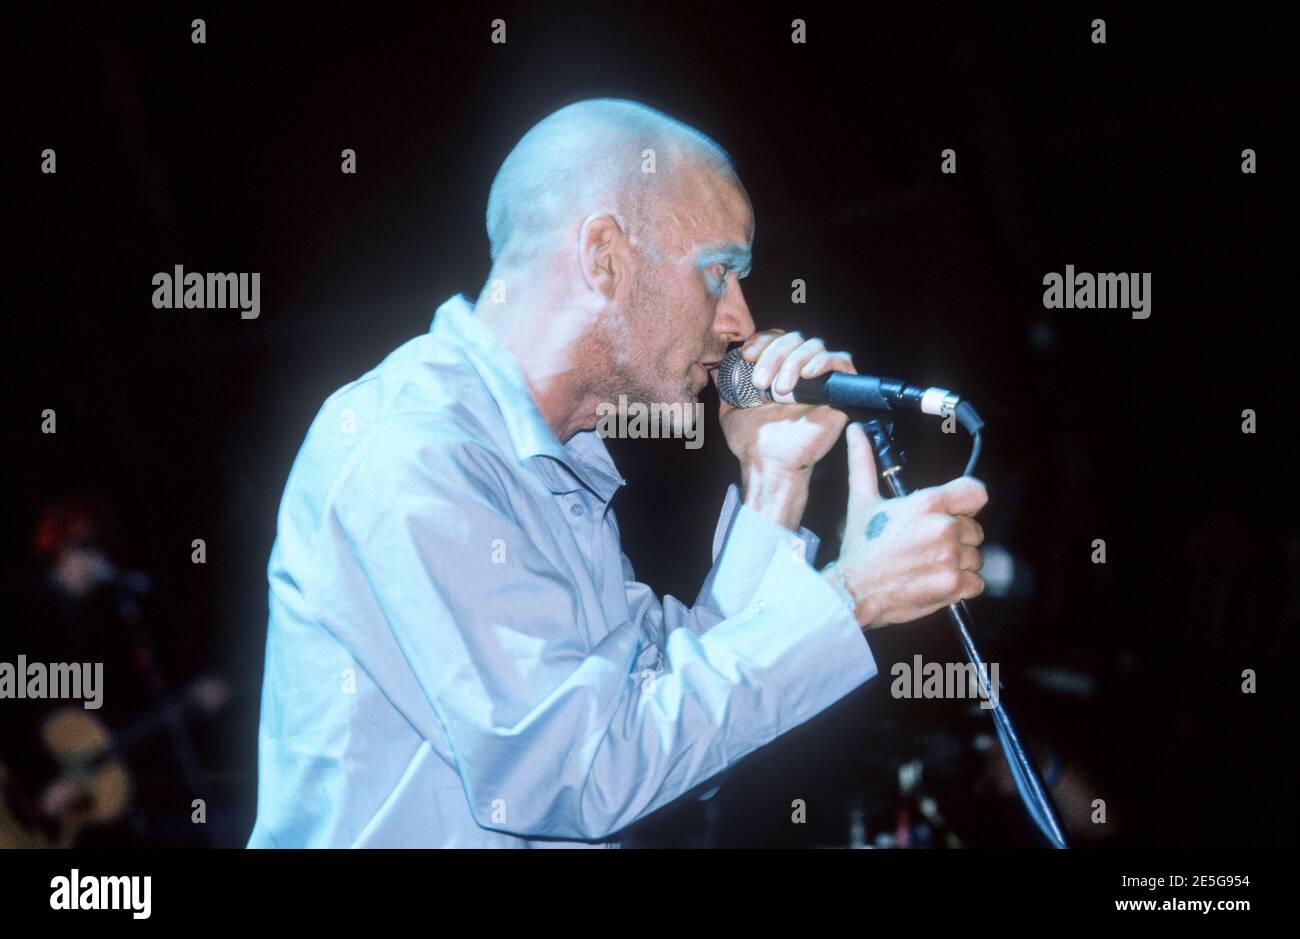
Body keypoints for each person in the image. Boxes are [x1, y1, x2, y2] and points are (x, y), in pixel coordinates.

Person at [248, 99, 988, 848]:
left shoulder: (554, 465)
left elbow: (663, 727)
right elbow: (581, 774)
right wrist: (851, 596)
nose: (739, 319)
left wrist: (772, 479)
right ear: (604, 256)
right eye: (719, 272)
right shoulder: (416, 449)